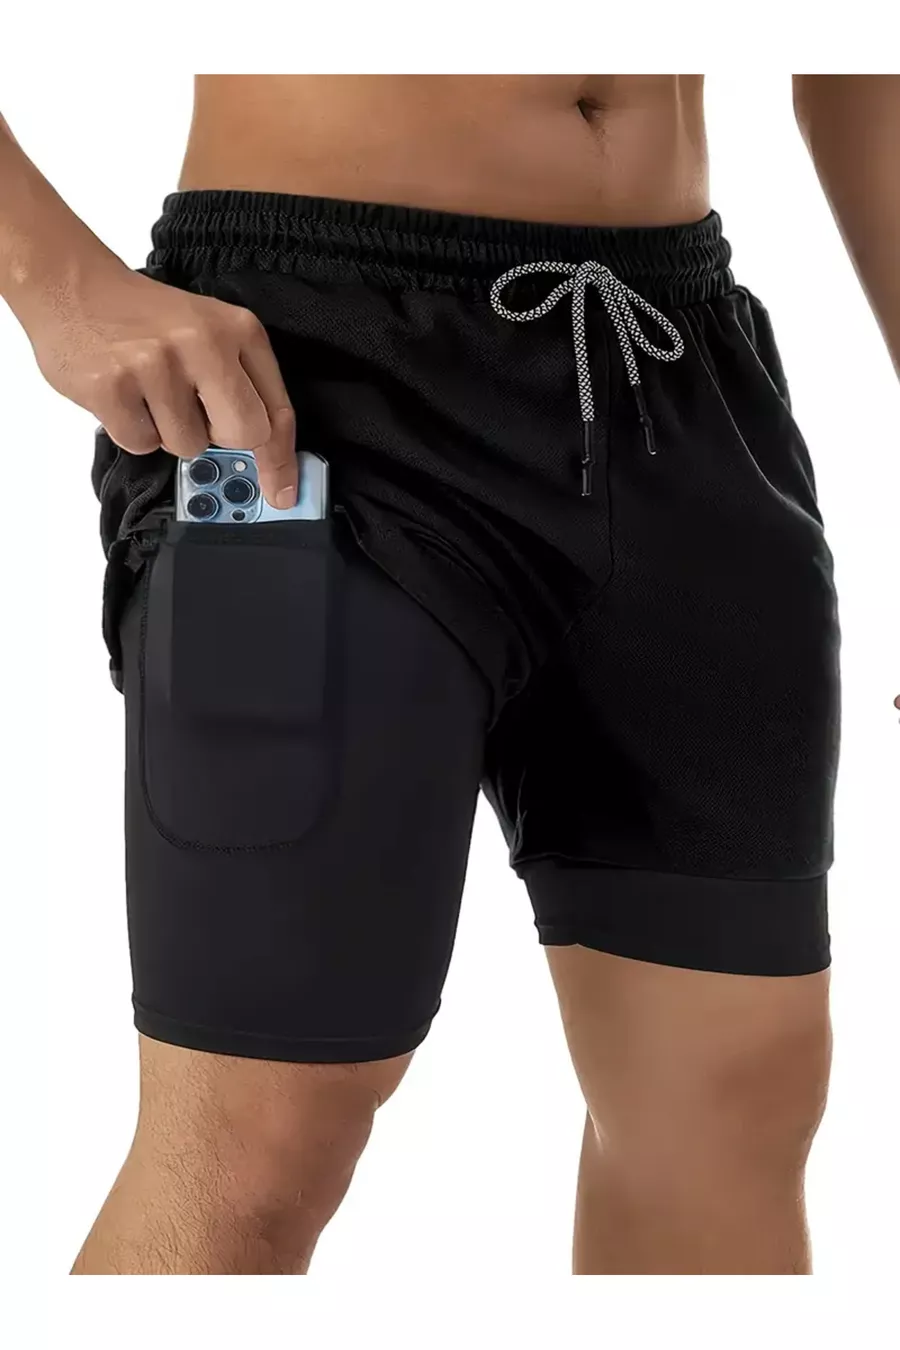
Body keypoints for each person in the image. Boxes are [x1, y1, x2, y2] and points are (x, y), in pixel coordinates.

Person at [1, 75, 896, 1277]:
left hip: (680, 379)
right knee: (252, 1146)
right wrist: (53, 280)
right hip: (308, 390)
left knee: (731, 1107)